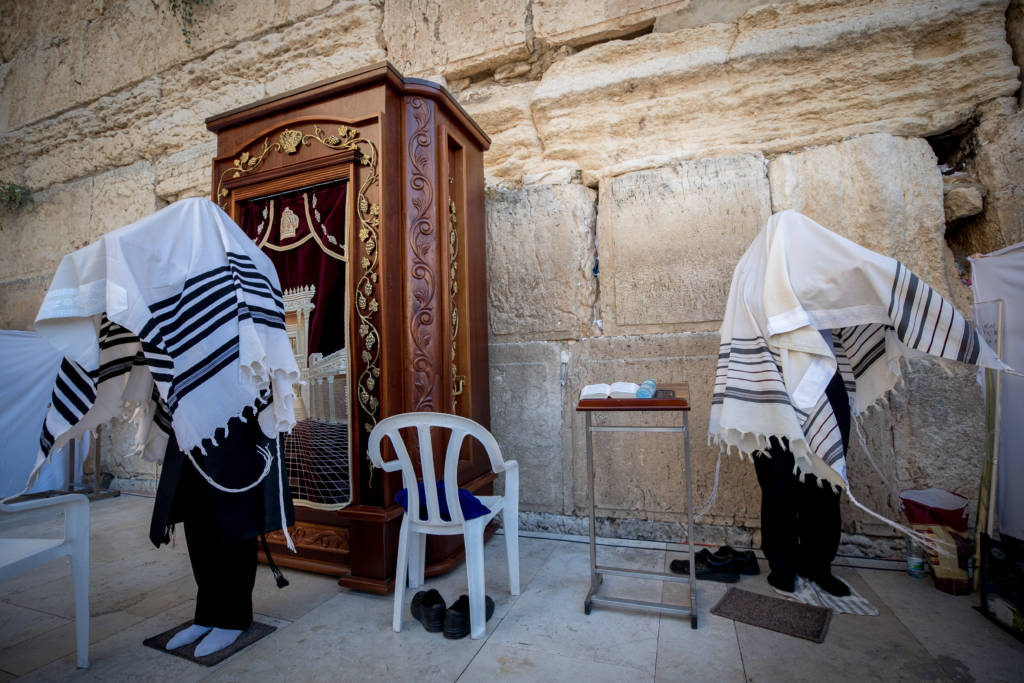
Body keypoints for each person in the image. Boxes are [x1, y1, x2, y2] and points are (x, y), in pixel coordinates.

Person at [150, 406, 293, 656]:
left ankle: (233, 619)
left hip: (234, 414)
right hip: (190, 416)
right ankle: (206, 615)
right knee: (196, 511)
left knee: (235, 515)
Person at [753, 332, 852, 597]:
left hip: (822, 374)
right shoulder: (754, 289)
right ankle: (781, 565)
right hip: (772, 377)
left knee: (826, 478)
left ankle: (818, 565)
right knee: (776, 478)